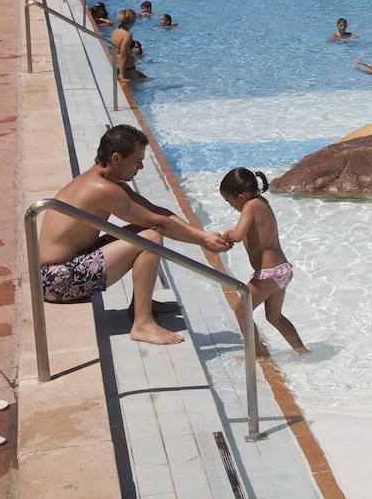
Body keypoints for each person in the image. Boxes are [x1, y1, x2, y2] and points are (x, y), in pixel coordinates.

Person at [36, 125, 231, 345]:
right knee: (150, 239)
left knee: (144, 233)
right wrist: (203, 240)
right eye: (137, 160)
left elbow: (156, 212)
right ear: (116, 158)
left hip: (59, 270)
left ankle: (141, 304)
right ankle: (142, 324)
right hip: (55, 280)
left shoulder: (105, 181)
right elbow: (157, 222)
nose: (141, 166)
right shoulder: (101, 189)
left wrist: (201, 235)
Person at [218, 168, 309, 355]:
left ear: (241, 197)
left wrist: (226, 235)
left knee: (241, 310)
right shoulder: (262, 202)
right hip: (282, 270)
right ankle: (303, 352)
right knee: (274, 317)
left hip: (269, 273)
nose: (231, 206)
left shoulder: (250, 206)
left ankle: (258, 355)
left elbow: (237, 234)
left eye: (230, 202)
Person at [111, 10, 147, 84]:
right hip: (127, 69)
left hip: (119, 66)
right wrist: (122, 76)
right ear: (132, 22)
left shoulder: (116, 30)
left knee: (145, 79)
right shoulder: (127, 35)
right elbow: (123, 55)